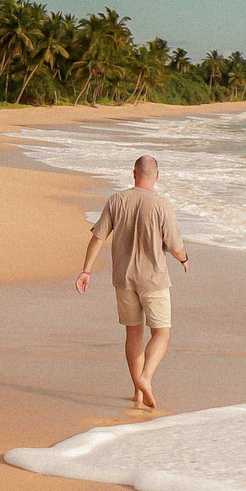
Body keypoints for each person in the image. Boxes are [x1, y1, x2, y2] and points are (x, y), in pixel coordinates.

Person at [76, 154, 189, 410]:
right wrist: (184, 259)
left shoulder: (117, 199)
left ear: (134, 173)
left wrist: (86, 271)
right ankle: (145, 378)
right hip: (154, 280)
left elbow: (97, 238)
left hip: (124, 279)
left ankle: (138, 394)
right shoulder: (162, 205)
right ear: (156, 177)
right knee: (162, 332)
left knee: (133, 332)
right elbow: (174, 245)